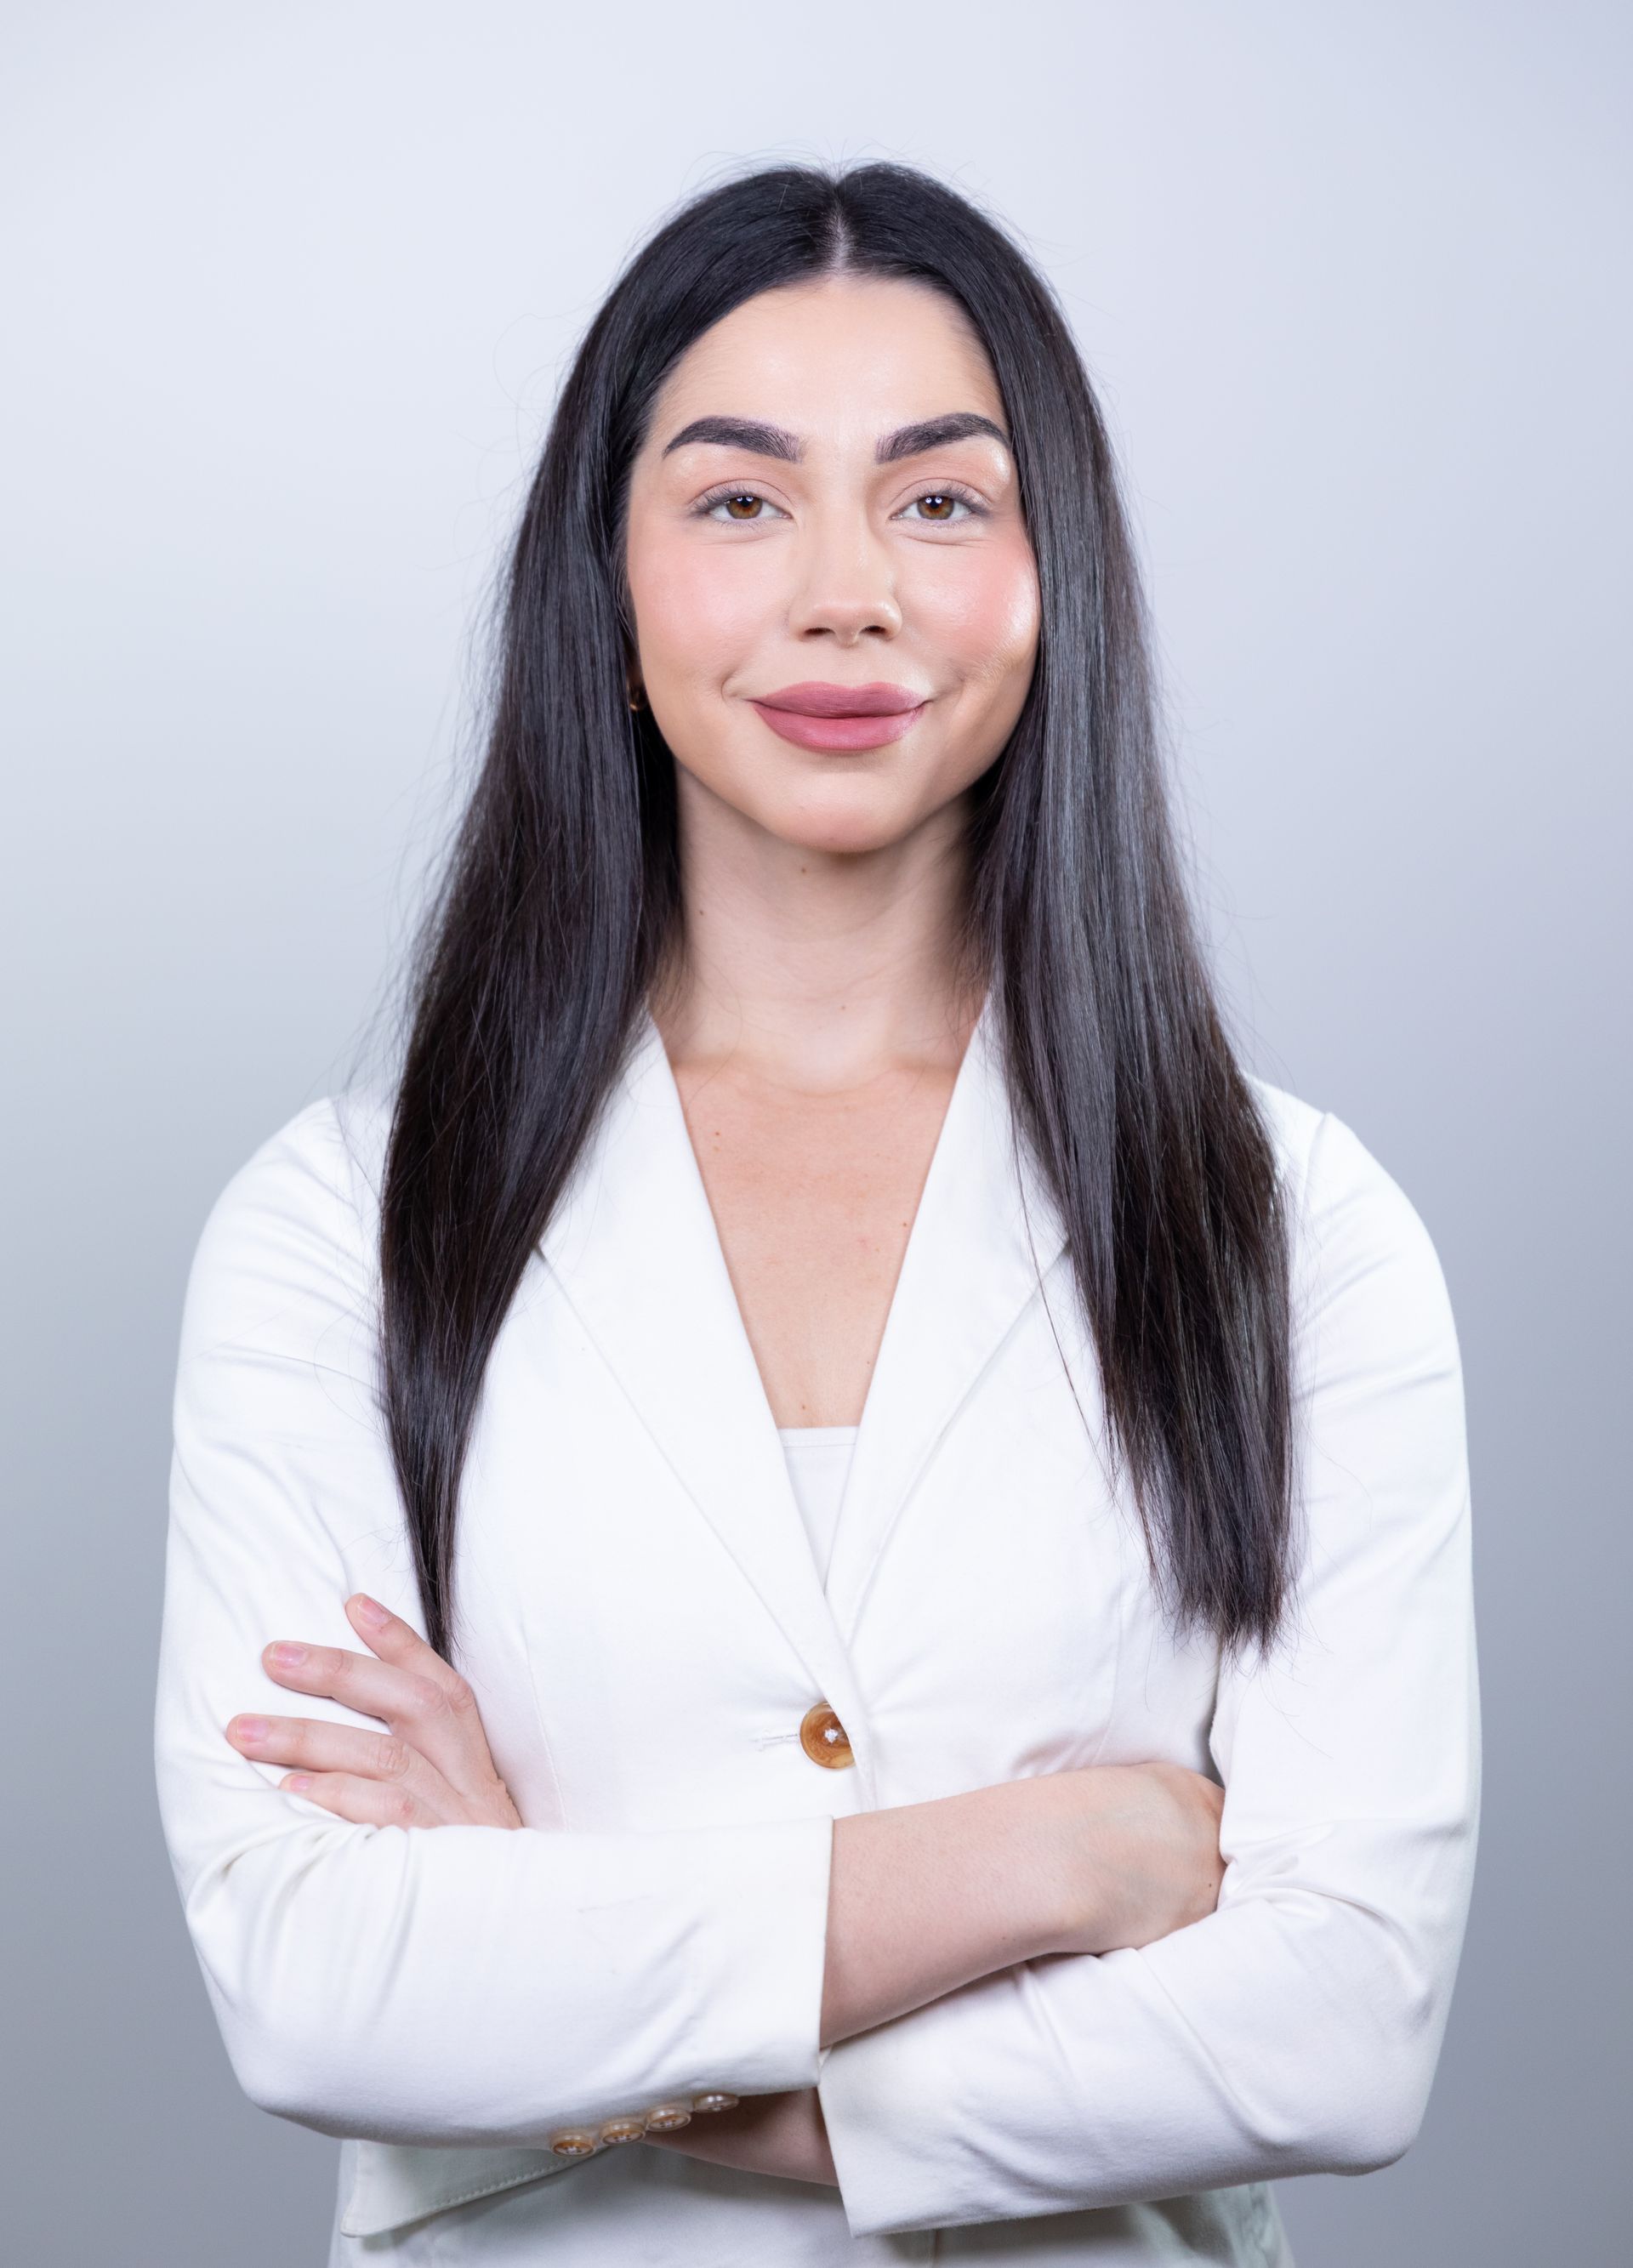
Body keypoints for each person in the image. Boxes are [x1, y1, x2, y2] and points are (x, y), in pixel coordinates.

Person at [153, 162, 1479, 2267]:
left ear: (1059, 579)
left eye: (943, 500)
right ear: (607, 575)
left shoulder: (1293, 1227)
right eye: (739, 499)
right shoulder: (348, 1219)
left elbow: (1340, 2037)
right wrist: (1065, 1856)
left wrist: (568, 2002)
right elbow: (318, 1975)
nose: (847, 590)